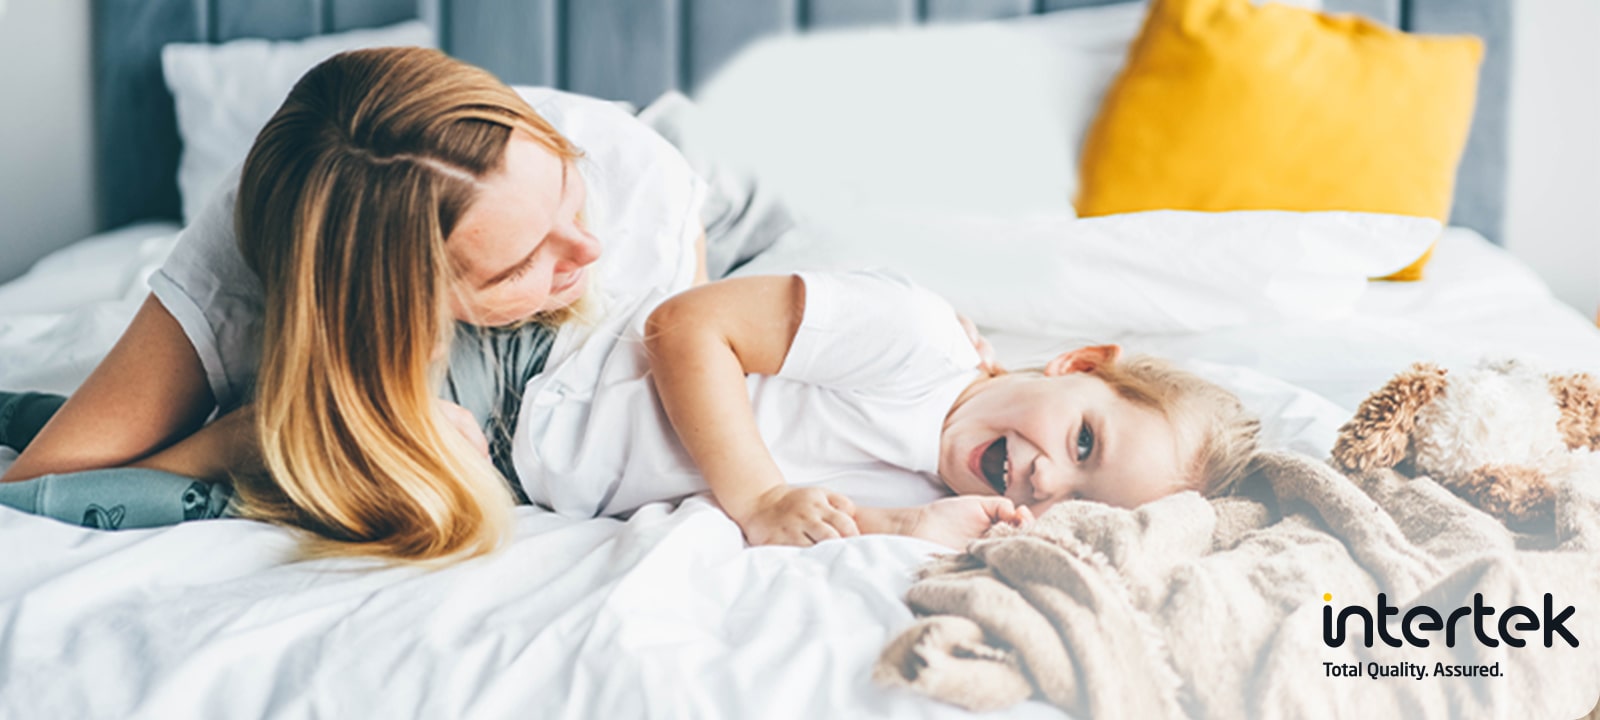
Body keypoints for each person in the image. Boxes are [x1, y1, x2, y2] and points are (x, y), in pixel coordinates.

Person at [0, 46, 712, 563]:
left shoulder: (636, 196)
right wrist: (242, 438)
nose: (589, 248)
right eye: (521, 263)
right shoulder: (234, 276)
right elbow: (38, 487)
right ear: (400, 316)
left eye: (567, 189)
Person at [511, 269, 1261, 549]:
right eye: (1085, 442)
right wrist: (761, 497)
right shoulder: (917, 342)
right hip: (535, 379)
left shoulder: (943, 501)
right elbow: (687, 324)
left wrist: (900, 527)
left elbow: (803, 519)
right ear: (1079, 364)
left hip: (524, 474)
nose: (1047, 481)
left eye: (1080, 501)